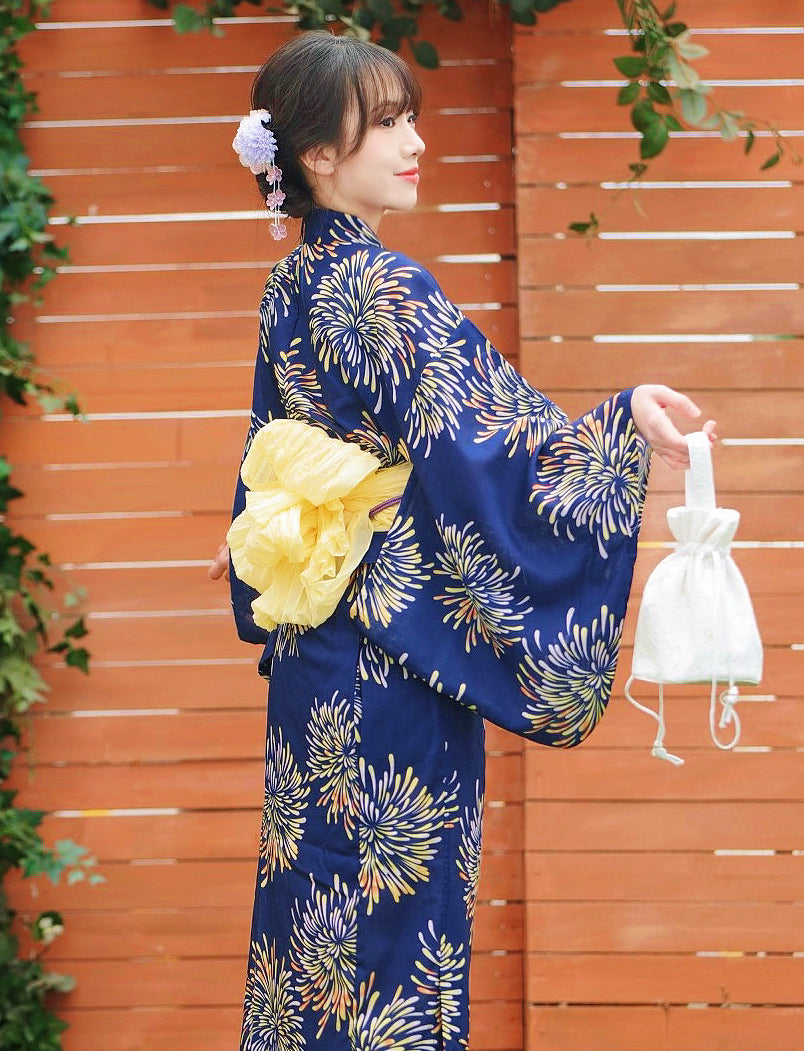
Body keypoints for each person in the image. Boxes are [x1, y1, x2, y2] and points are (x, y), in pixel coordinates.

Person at [214, 30, 716, 1051]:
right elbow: (491, 451)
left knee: (315, 925)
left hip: (315, 646)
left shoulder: (290, 285)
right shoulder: (385, 288)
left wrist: (260, 542)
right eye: (387, 123)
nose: (415, 143)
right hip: (393, 666)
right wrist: (618, 424)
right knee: (393, 935)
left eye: (413, 119)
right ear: (318, 153)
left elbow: (275, 454)